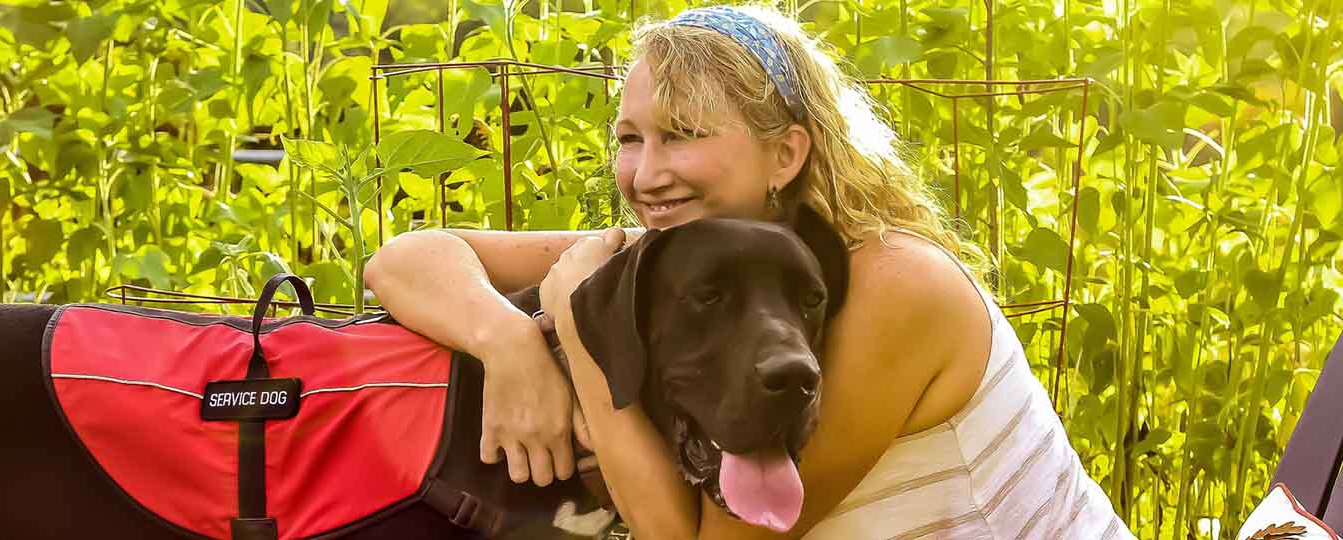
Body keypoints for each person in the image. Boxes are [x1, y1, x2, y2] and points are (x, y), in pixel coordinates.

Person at [362, 4, 1135, 539]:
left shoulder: (898, 283)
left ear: (786, 154)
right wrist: (507, 343)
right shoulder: (684, 251)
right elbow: (405, 258)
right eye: (631, 140)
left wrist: (576, 319)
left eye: (683, 134)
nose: (647, 174)